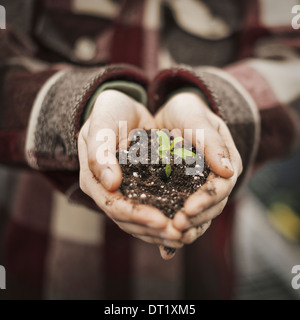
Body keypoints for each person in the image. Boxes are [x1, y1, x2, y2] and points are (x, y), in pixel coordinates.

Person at [0, 0, 299, 299]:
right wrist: (83, 108)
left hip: (193, 274)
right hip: (42, 256)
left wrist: (206, 102)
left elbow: (291, 61)